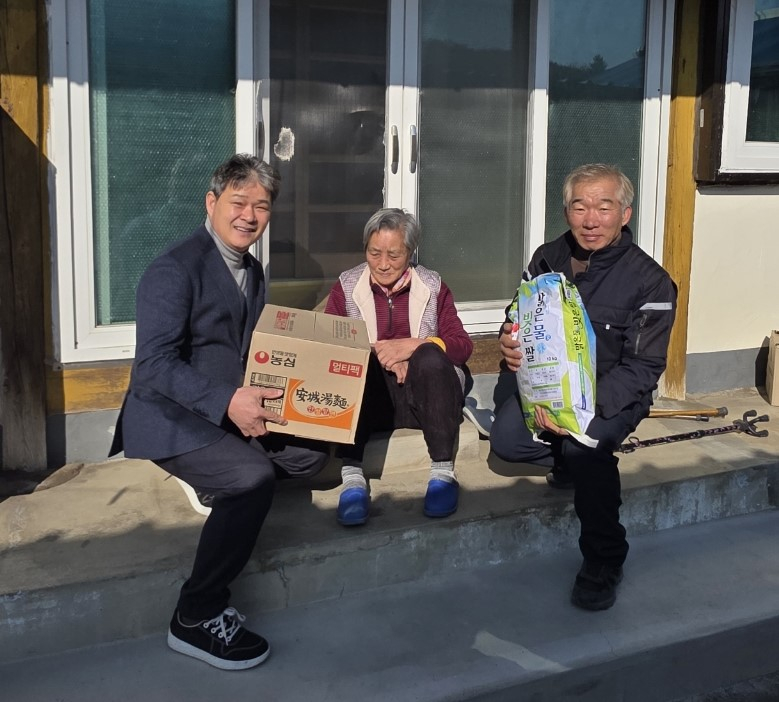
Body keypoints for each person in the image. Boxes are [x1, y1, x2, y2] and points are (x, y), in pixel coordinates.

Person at [109, 154, 329, 670]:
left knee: (309, 454)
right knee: (252, 479)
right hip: (170, 415)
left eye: (262, 206)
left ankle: (214, 480)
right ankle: (195, 614)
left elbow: (248, 349)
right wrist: (228, 402)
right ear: (211, 203)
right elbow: (153, 366)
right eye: (238, 202)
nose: (249, 216)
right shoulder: (173, 269)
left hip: (227, 405)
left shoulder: (251, 269)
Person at [489, 164, 676, 611]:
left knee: (586, 447)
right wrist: (508, 339)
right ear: (567, 211)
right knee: (507, 441)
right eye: (580, 207)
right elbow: (517, 315)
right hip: (548, 387)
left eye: (604, 207)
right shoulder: (546, 258)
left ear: (625, 214)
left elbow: (644, 367)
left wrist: (581, 409)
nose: (591, 219)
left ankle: (604, 559)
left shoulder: (650, 280)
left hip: (614, 391)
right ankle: (567, 459)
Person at [325, 208, 473, 525]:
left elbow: (462, 346)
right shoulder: (347, 286)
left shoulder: (432, 286)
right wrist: (383, 355)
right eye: (374, 253)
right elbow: (329, 344)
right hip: (374, 403)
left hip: (425, 401)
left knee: (430, 356)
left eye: (393, 255)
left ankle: (442, 473)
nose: (382, 264)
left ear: (410, 252)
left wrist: (413, 347)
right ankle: (352, 478)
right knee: (357, 361)